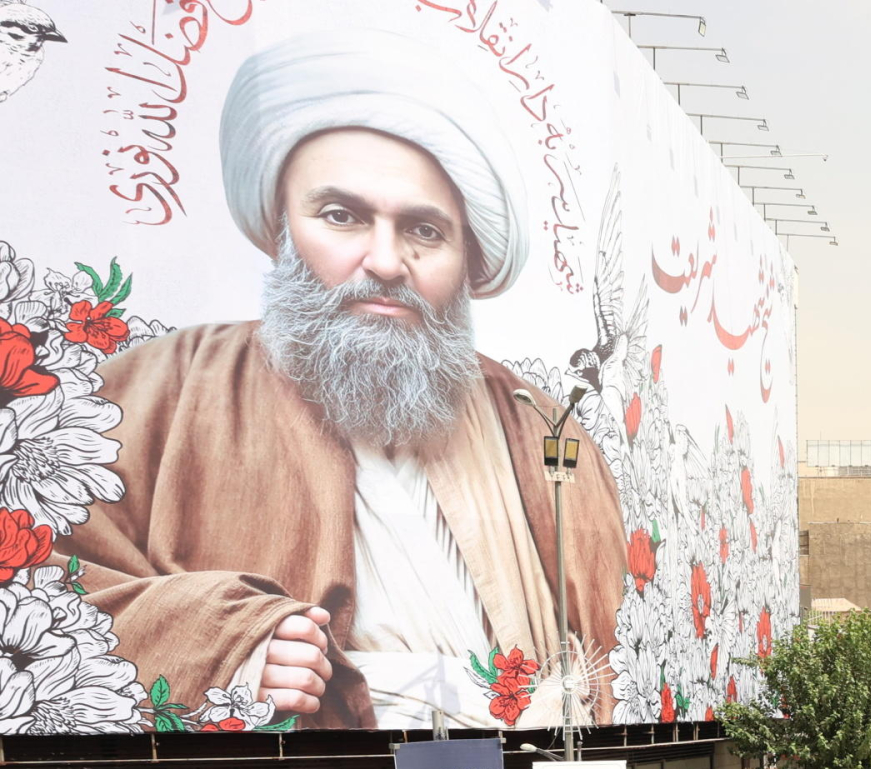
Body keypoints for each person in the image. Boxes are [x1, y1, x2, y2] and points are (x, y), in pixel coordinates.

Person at [59, 27, 628, 727]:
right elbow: (34, 584)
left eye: (424, 230)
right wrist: (230, 644)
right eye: (342, 216)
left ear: (466, 255)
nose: (386, 261)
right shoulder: (154, 394)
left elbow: (610, 641)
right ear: (279, 224)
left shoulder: (545, 432)